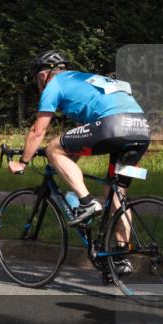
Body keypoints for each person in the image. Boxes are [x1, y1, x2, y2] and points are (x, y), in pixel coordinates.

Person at [8, 51, 150, 274]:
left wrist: (23, 162)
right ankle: (120, 259)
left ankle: (86, 202)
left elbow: (38, 131)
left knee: (54, 148)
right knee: (116, 193)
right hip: (140, 129)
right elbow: (84, 139)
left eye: (37, 79)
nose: (38, 84)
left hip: (113, 125)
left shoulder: (55, 84)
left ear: (44, 75)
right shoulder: (85, 78)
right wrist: (67, 160)